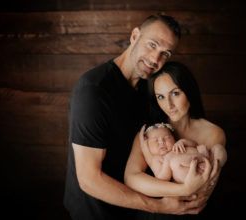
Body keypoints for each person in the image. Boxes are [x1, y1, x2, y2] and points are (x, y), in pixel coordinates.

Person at [63, 14, 209, 220]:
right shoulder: (94, 90)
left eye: (165, 53)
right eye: (152, 45)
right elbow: (89, 179)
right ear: (134, 36)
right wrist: (160, 206)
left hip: (134, 206)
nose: (155, 59)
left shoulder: (150, 89)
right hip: (96, 212)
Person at [125, 61, 227, 219]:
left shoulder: (213, 133)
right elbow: (131, 178)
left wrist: (190, 191)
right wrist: (183, 190)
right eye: (161, 97)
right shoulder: (150, 133)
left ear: (189, 91)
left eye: (175, 93)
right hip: (156, 212)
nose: (169, 105)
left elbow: (205, 188)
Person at [142, 122, 215, 185]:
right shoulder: (157, 159)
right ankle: (204, 169)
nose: (162, 142)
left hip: (204, 159)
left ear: (174, 139)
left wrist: (183, 142)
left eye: (167, 138)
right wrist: (167, 160)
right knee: (175, 162)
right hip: (190, 174)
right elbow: (162, 178)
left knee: (219, 149)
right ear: (148, 146)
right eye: (156, 140)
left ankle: (208, 167)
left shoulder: (177, 145)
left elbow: (195, 145)